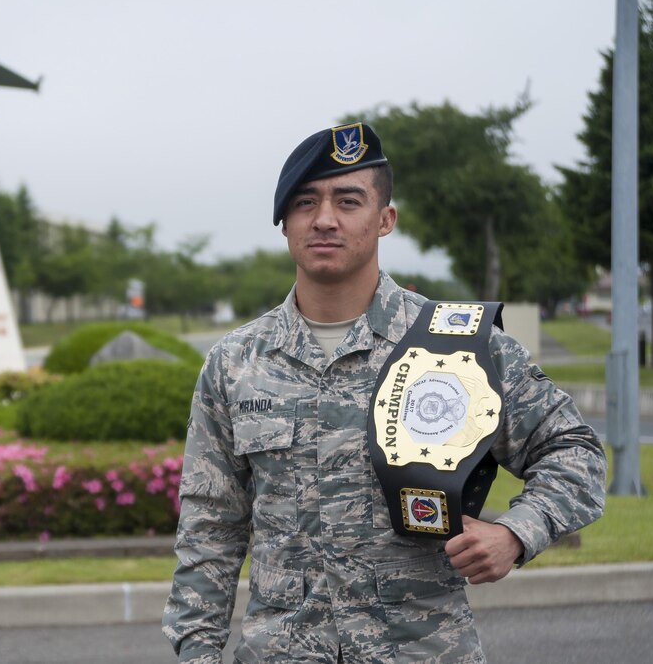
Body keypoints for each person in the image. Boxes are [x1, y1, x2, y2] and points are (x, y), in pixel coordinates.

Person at [162, 122, 607, 663]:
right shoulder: (236, 363)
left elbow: (575, 452)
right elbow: (210, 526)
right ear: (284, 224)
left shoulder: (458, 346)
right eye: (305, 203)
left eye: (348, 200)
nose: (324, 218)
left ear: (385, 219)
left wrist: (516, 533)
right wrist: (197, 654)